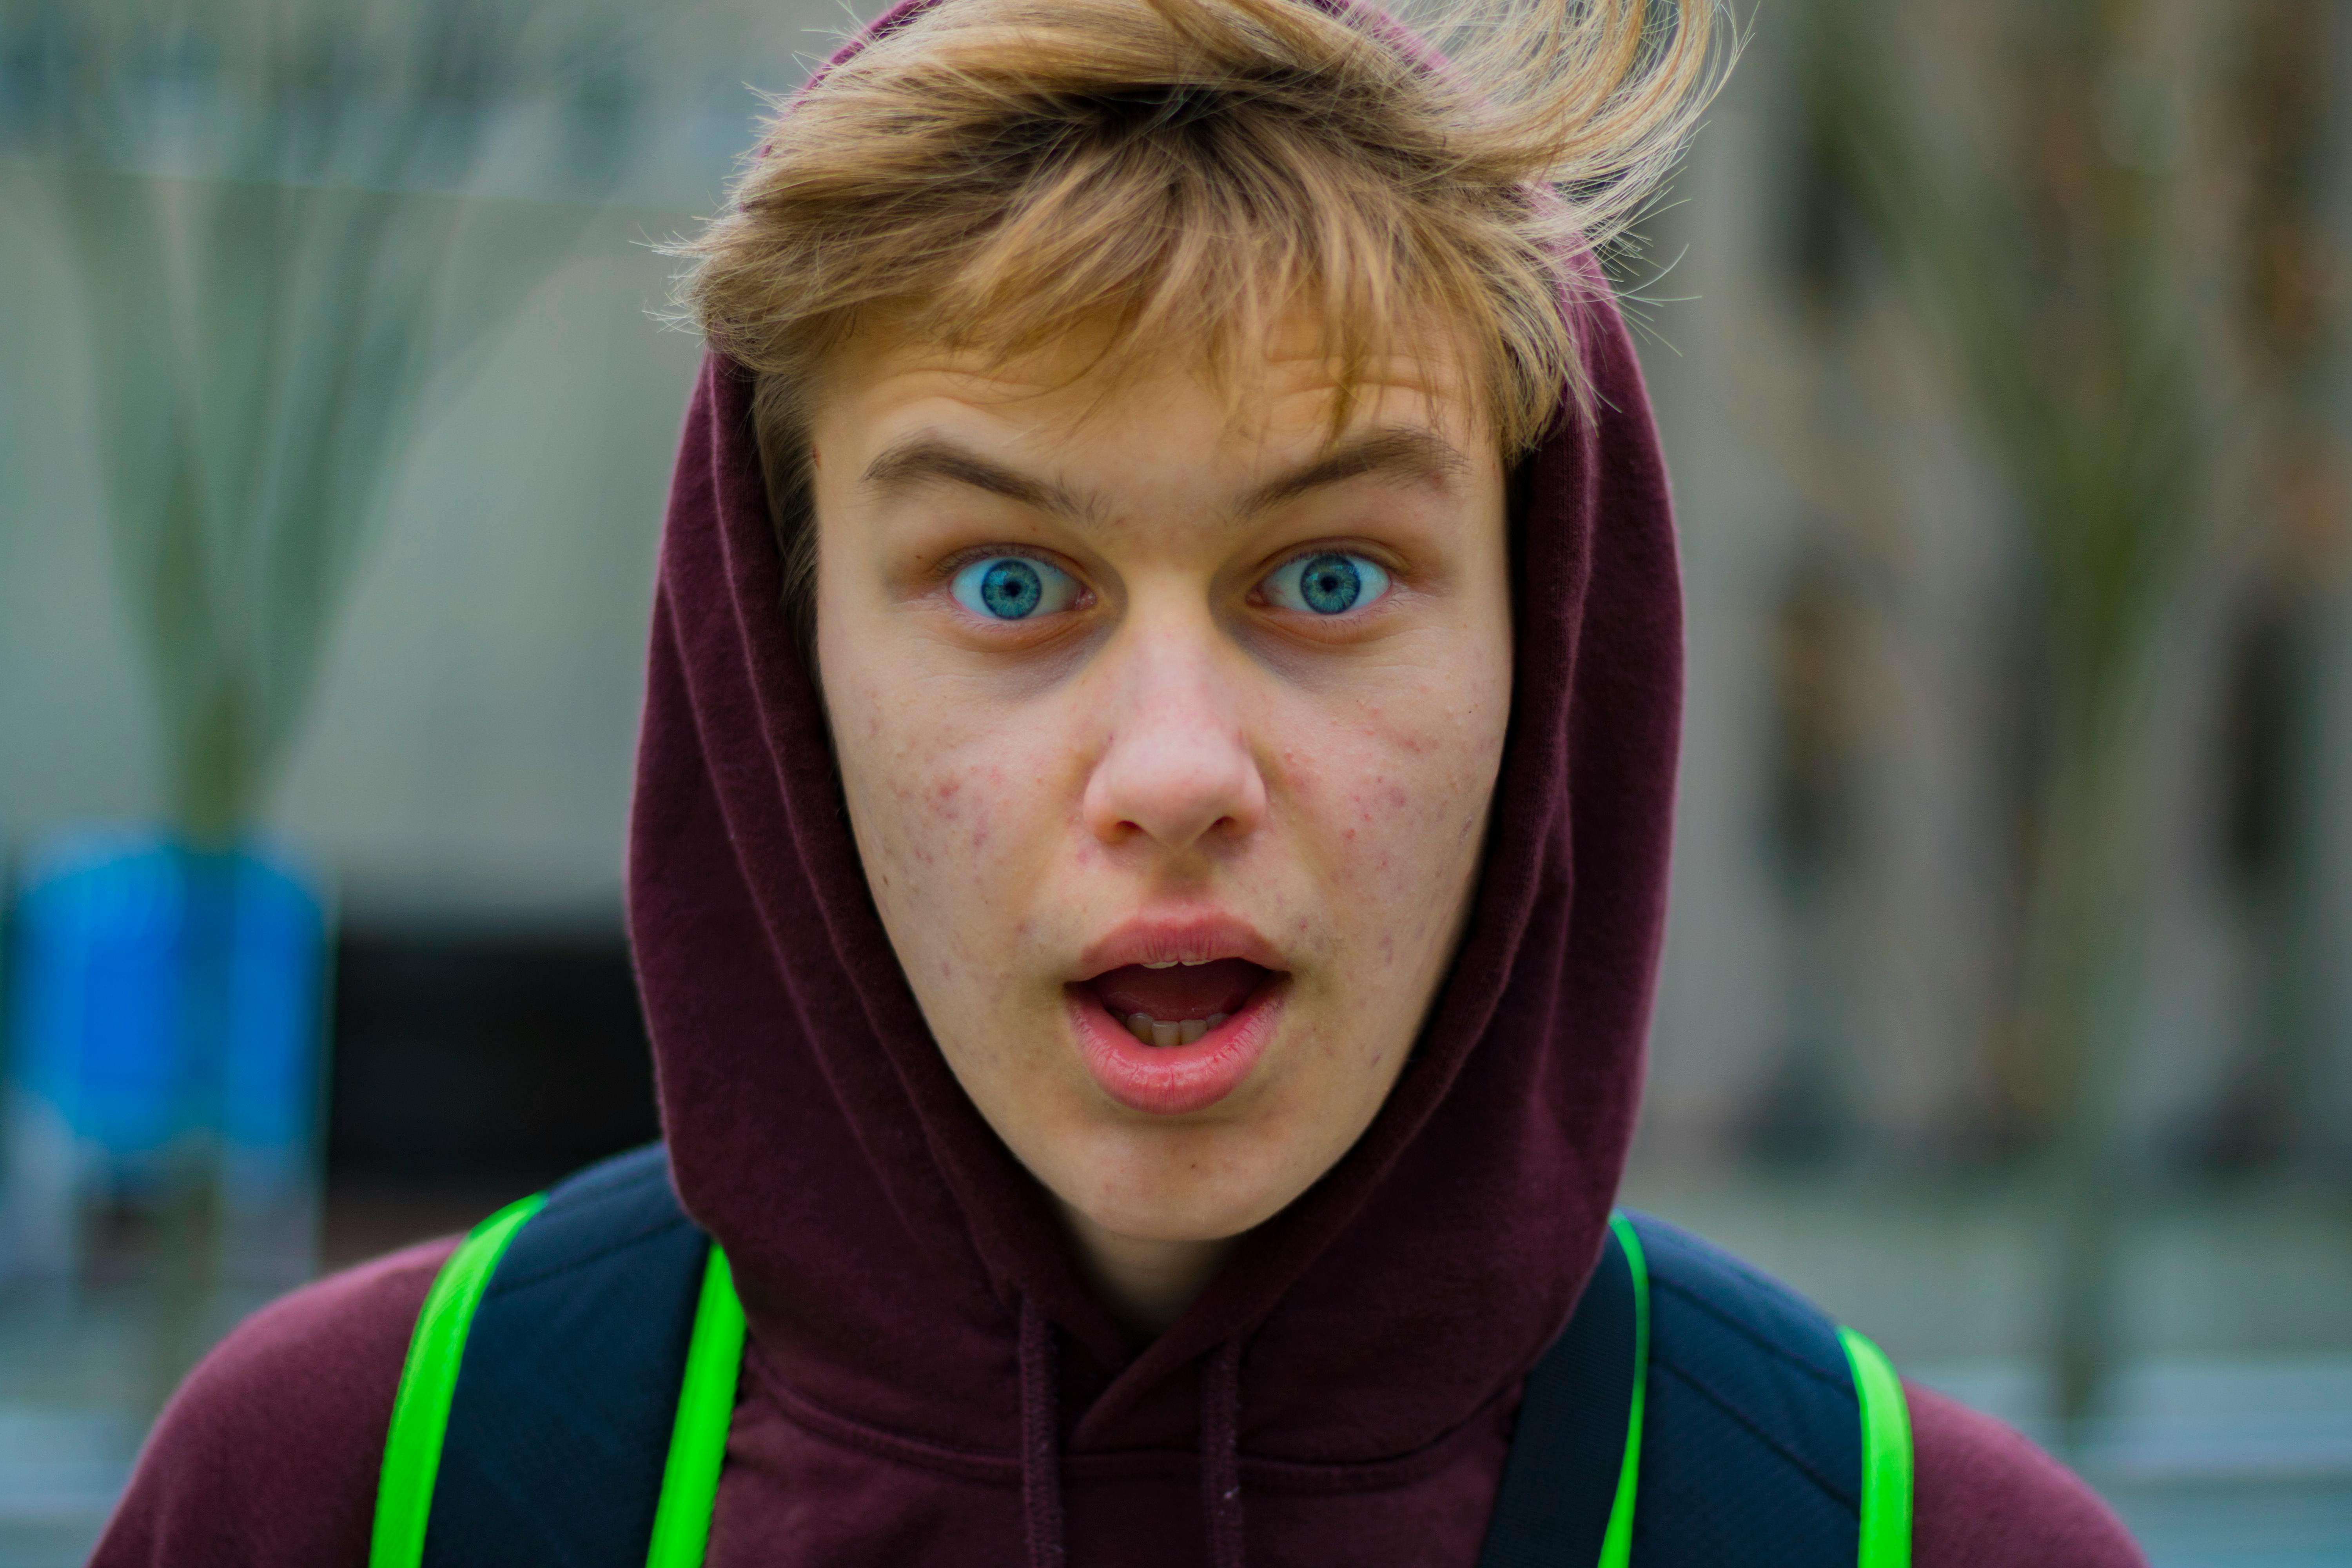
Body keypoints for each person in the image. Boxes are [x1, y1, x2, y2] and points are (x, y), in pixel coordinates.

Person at [92, 0, 2145, 1562]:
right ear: (786, 668)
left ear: (1544, 649)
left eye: (1329, 577)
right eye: (1009, 582)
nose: (1176, 770)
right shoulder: (353, 1488)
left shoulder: (1914, 1541)